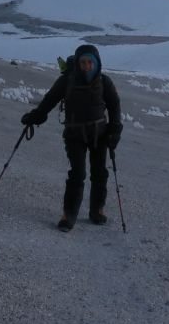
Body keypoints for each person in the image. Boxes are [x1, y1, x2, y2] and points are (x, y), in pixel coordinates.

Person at [20, 44, 123, 231]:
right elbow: (50, 100)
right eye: (83, 62)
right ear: (77, 63)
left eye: (90, 62)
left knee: (100, 173)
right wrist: (35, 117)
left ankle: (96, 210)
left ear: (97, 63)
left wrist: (115, 130)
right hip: (74, 134)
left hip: (99, 135)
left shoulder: (104, 82)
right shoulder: (67, 80)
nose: (87, 66)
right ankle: (69, 214)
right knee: (77, 174)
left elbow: (114, 105)